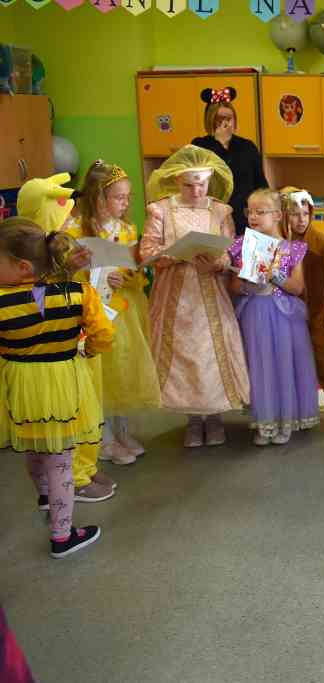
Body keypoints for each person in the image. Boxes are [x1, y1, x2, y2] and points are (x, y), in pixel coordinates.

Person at [0, 218, 113, 558]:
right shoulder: (78, 292)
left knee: (33, 446)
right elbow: (103, 334)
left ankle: (45, 496)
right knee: (60, 460)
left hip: (20, 385)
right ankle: (63, 537)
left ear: (22, 267)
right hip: (64, 383)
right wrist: (88, 350)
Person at [140, 145, 250, 448]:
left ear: (210, 180)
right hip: (175, 296)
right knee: (183, 356)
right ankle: (192, 420)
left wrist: (219, 263)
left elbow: (229, 249)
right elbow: (147, 251)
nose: (196, 191)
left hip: (210, 293)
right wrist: (172, 255)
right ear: (177, 180)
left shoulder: (220, 211)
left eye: (201, 184)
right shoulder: (161, 210)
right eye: (189, 185)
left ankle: (214, 418)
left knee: (209, 354)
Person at [16, 173, 114, 502]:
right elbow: (42, 301)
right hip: (56, 358)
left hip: (79, 344)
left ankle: (85, 465)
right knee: (69, 416)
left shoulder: (58, 246)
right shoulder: (27, 261)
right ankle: (72, 477)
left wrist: (73, 271)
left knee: (89, 408)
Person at [65, 161, 160, 466]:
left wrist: (128, 278)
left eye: (128, 197)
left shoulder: (127, 230)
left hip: (123, 311)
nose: (125, 203)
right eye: (119, 197)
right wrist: (84, 270)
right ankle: (103, 439)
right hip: (92, 314)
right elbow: (64, 274)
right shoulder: (74, 230)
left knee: (123, 370)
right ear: (97, 197)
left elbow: (138, 271)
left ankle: (122, 431)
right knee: (101, 375)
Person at [228, 190, 319, 445]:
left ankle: (285, 420)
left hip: (283, 314)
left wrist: (274, 275)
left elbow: (297, 288)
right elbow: (232, 286)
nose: (253, 217)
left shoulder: (292, 248)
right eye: (249, 211)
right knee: (260, 365)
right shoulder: (241, 245)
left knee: (283, 363)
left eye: (260, 212)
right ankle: (265, 421)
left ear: (278, 215)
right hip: (254, 312)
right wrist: (247, 283)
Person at [281, 187, 324, 432]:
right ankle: (297, 408)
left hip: (318, 312)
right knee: (292, 361)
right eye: (294, 214)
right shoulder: (280, 242)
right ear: (283, 216)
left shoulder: (319, 241)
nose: (301, 220)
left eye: (305, 214)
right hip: (288, 312)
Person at [191, 87, 268, 236]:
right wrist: (219, 143)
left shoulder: (247, 146)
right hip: (213, 220)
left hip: (245, 219)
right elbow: (200, 181)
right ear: (210, 120)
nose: (226, 123)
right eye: (220, 119)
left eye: (229, 118)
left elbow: (261, 184)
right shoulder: (199, 146)